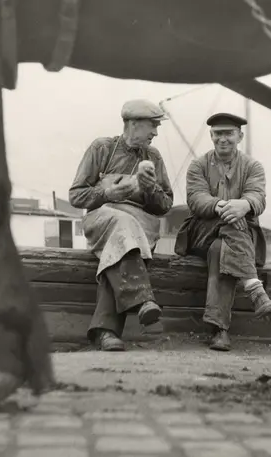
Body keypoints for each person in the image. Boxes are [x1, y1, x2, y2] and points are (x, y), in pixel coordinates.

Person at [69, 99, 174, 351]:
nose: (155, 133)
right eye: (152, 125)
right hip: (102, 219)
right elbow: (76, 195)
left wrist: (150, 190)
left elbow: (165, 205)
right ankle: (142, 298)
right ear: (133, 123)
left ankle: (106, 333)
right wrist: (107, 194)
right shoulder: (102, 148)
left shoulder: (153, 157)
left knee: (118, 250)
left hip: (139, 226)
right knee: (122, 225)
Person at [174, 112, 271, 351]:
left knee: (221, 248)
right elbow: (196, 198)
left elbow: (258, 196)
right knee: (232, 224)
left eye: (229, 133)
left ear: (240, 136)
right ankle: (254, 288)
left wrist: (245, 205)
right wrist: (222, 206)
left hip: (234, 239)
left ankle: (219, 331)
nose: (223, 139)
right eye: (218, 133)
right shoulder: (198, 165)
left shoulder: (252, 166)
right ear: (211, 136)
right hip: (201, 233)